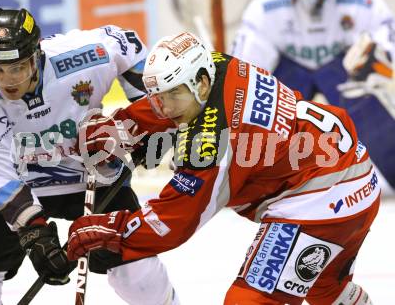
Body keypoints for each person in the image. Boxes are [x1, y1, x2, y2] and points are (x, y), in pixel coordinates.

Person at [67, 32, 380, 304]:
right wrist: (121, 126)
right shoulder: (218, 64)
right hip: (354, 176)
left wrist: (116, 228)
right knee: (325, 287)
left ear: (202, 83)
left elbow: (175, 221)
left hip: (320, 201)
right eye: (158, 97)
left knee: (250, 300)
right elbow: (171, 102)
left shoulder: (212, 142)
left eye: (172, 95)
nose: (165, 108)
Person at [0, 7, 179, 305]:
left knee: (138, 275)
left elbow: (128, 43)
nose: (7, 80)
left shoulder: (84, 57)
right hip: (23, 182)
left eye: (17, 67)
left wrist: (148, 118)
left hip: (93, 174)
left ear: (36, 55)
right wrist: (36, 238)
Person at [231, 0, 395, 194]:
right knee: (262, 102)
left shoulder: (366, 4)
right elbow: (244, 75)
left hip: (342, 75)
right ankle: (254, 174)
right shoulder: (264, 9)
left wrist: (372, 60)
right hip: (290, 75)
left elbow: (388, 60)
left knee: (359, 89)